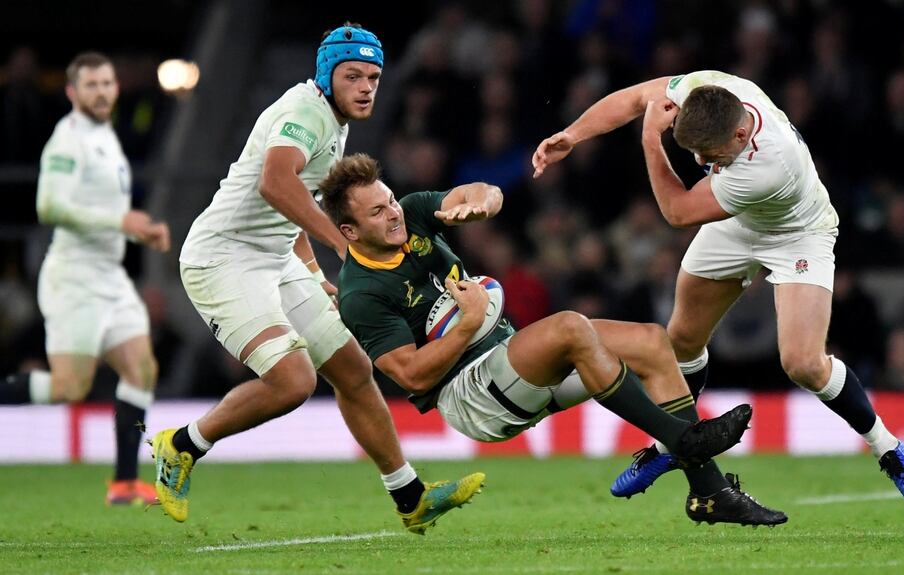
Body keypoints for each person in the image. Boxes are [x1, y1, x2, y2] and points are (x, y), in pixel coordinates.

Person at [532, 70, 904, 508]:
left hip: (797, 233)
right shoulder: (707, 89)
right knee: (680, 341)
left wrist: (651, 142)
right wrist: (572, 134)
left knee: (803, 363)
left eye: (711, 153)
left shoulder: (767, 165)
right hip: (738, 222)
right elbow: (633, 98)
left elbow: (679, 212)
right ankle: (675, 443)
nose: (704, 160)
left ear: (741, 133)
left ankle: (888, 447)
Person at [320, 153, 771, 526]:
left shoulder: (415, 212)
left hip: (511, 360)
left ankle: (710, 495)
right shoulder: (362, 295)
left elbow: (478, 192)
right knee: (571, 327)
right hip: (470, 396)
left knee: (653, 343)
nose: (394, 213)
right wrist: (466, 323)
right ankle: (680, 439)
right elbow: (411, 376)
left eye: (390, 201)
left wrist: (482, 203)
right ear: (349, 232)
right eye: (377, 212)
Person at [157, 24, 482, 533]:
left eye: (373, 76)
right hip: (223, 258)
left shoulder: (332, 118)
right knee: (293, 382)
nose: (366, 86)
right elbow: (275, 182)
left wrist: (312, 270)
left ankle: (410, 496)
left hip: (276, 255)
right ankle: (181, 445)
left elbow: (297, 200)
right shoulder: (306, 113)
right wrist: (341, 244)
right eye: (352, 75)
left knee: (353, 369)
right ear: (326, 75)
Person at [0, 52, 170, 506]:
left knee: (142, 369)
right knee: (68, 387)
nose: (101, 91)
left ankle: (124, 482)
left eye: (107, 83)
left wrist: (140, 229)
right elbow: (49, 207)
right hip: (73, 277)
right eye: (90, 85)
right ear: (73, 92)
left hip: (109, 278)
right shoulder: (67, 139)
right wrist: (120, 220)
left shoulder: (106, 137)